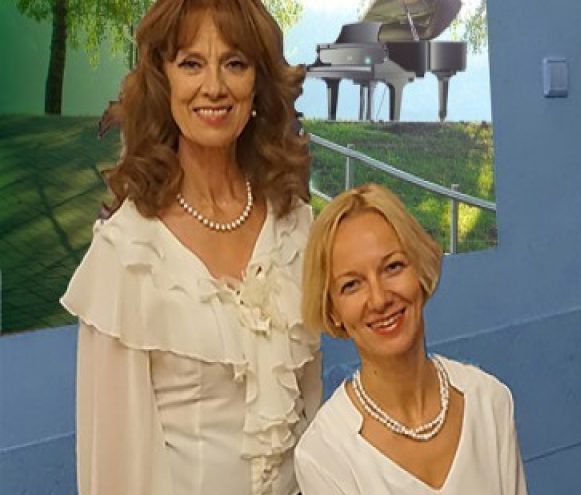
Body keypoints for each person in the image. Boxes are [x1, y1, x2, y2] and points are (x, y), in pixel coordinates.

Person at [60, 1, 321, 494]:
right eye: (191, 64)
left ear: (258, 83)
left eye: (235, 63)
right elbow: (113, 468)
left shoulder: (294, 227)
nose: (214, 87)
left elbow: (311, 412)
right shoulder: (128, 254)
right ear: (163, 79)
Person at [295, 183, 527, 494]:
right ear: (332, 309)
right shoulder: (323, 456)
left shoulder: (490, 402)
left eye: (393, 267)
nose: (379, 299)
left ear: (419, 269)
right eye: (352, 285)